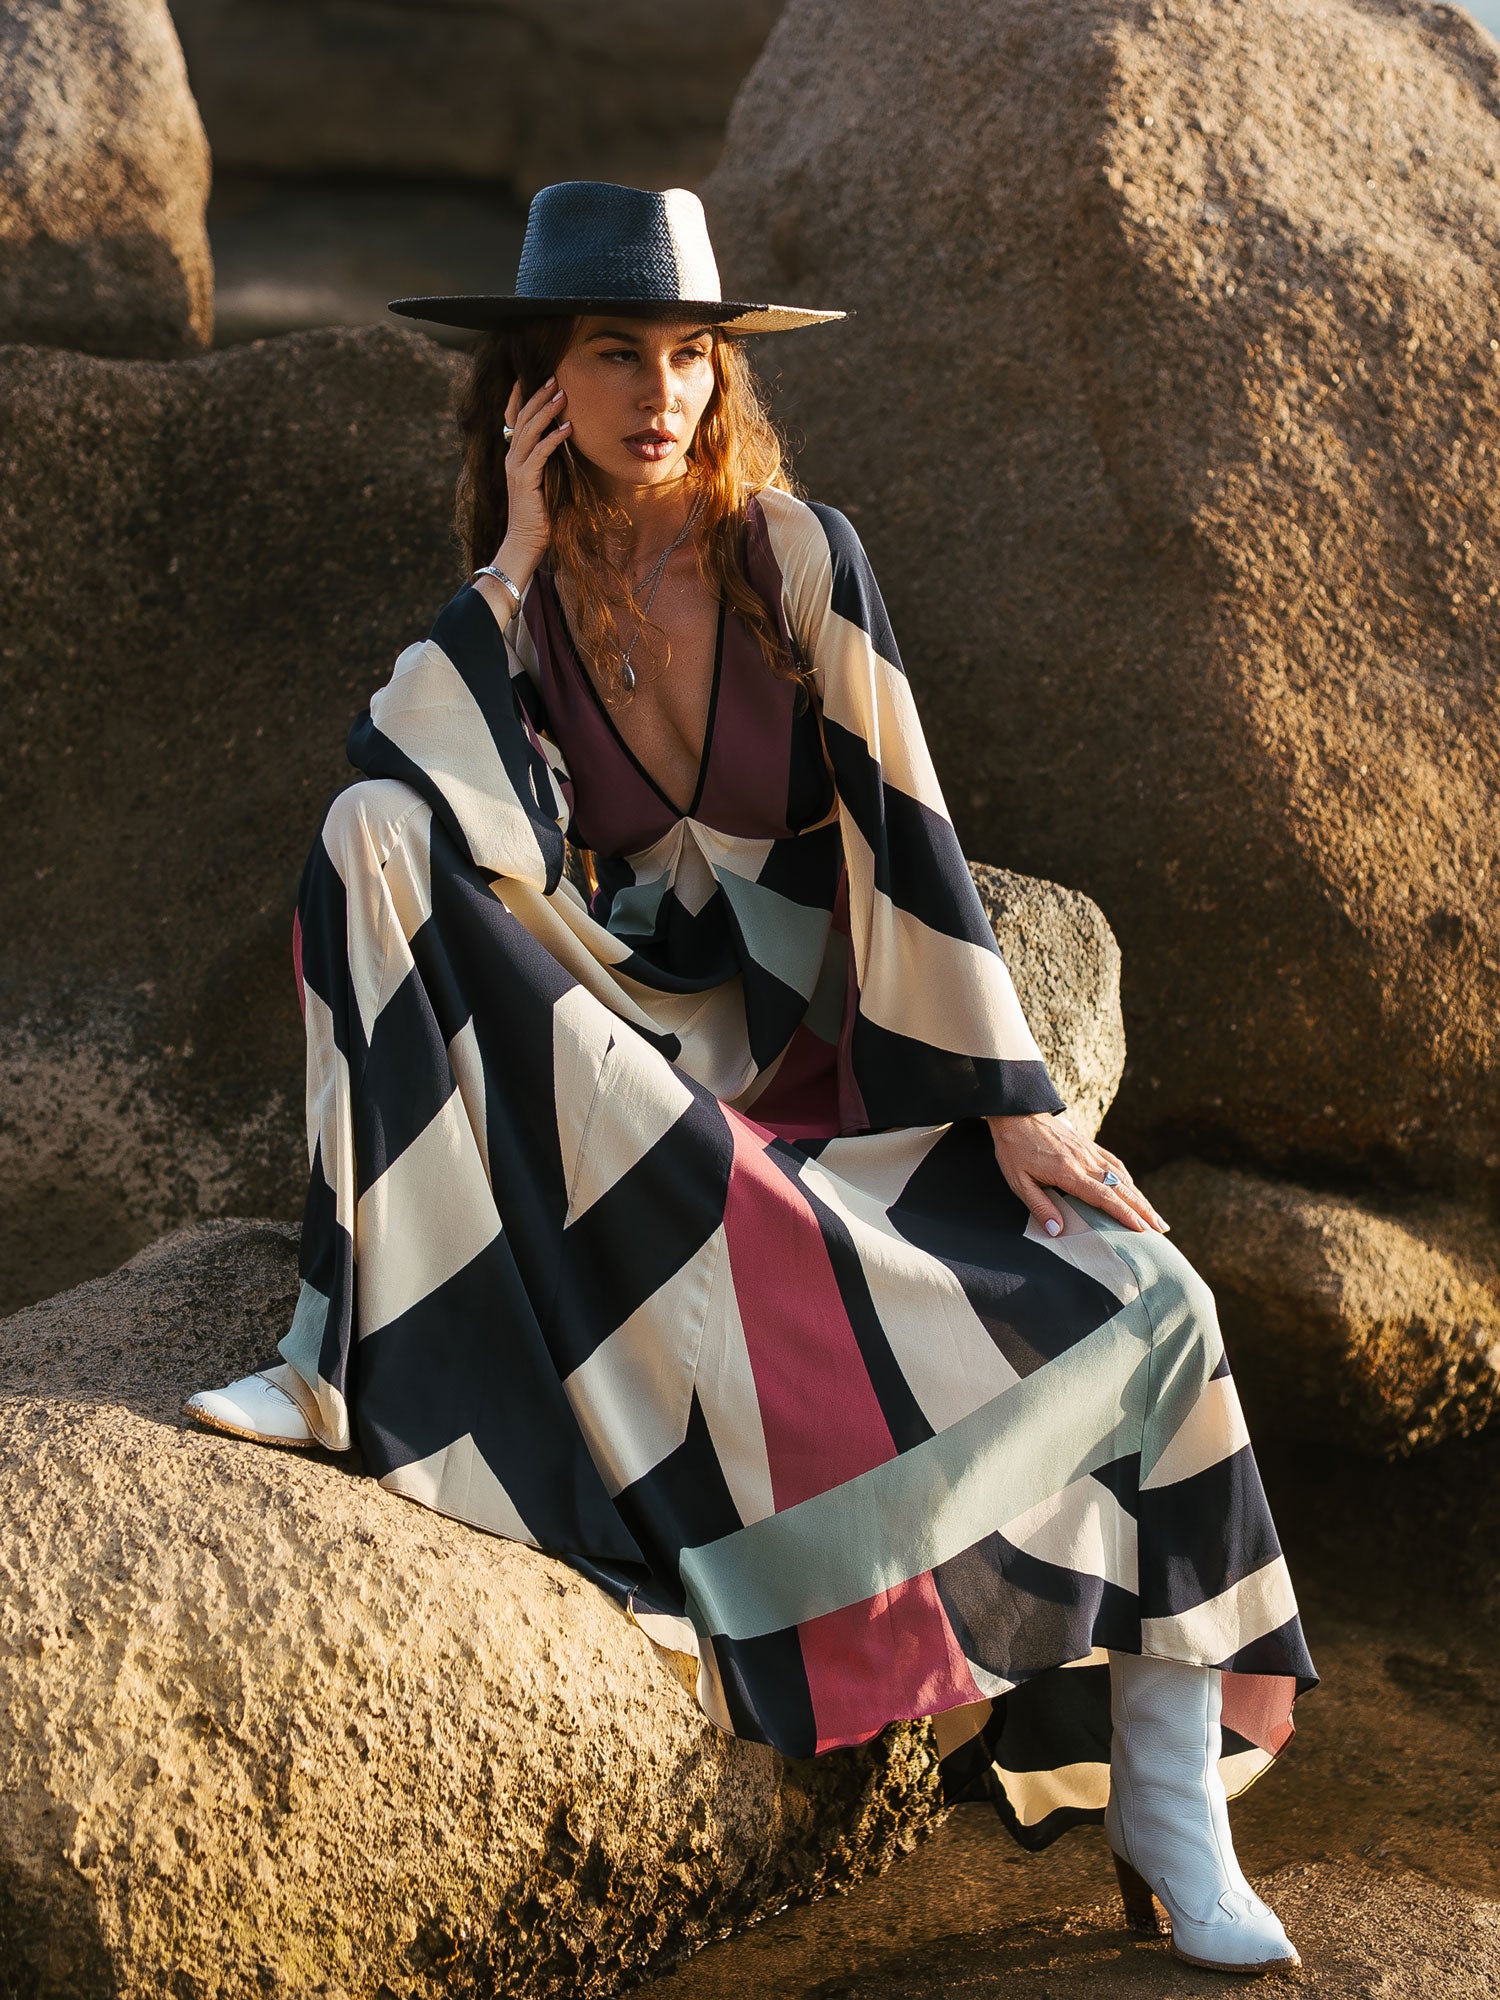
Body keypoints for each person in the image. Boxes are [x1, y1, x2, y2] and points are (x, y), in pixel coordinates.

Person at [184, 181, 1317, 1975]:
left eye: (689, 354)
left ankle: (1169, 1804)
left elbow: (908, 823)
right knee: (364, 830)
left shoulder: (795, 556)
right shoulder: (527, 617)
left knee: (1150, 1295)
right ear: (536, 386)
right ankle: (347, 1347)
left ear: (724, 374)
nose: (659, 392)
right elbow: (417, 789)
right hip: (632, 1055)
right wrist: (510, 565)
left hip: (828, 1065)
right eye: (613, 353)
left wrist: (1014, 1101)